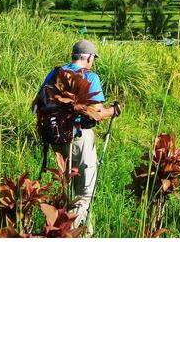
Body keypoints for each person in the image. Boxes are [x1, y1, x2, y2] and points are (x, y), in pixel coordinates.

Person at [34, 39, 120, 235]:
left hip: (56, 138)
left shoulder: (55, 72)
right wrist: (113, 111)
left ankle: (66, 228)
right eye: (93, 58)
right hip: (79, 136)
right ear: (89, 57)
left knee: (66, 186)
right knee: (84, 190)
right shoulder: (89, 76)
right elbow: (96, 112)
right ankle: (73, 232)